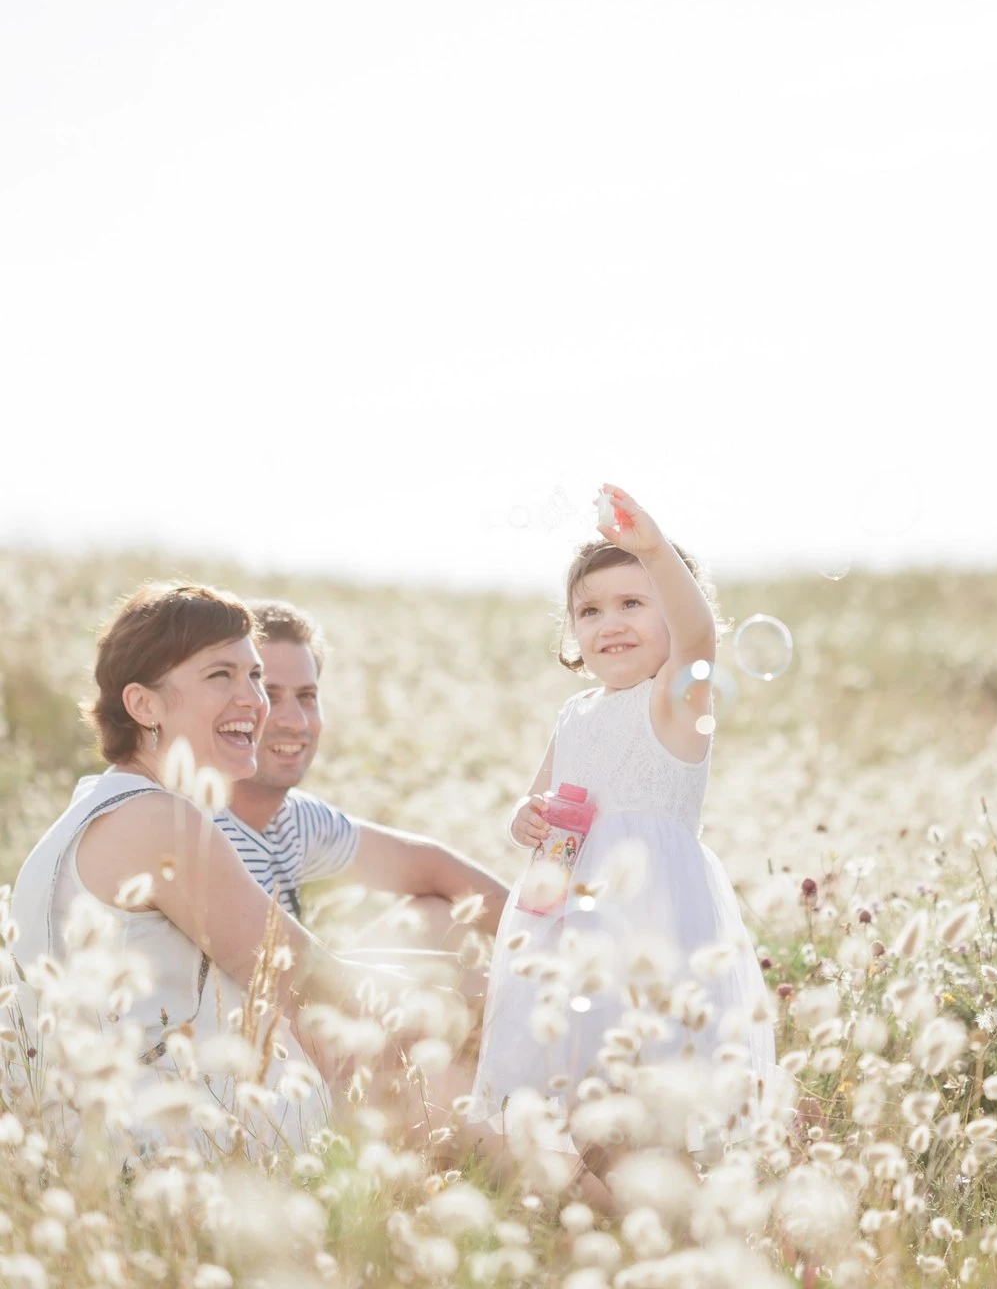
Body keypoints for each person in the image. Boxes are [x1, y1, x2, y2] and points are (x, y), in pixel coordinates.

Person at [7, 583, 407, 1158]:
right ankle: (575, 1200)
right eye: (221, 675)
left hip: (106, 1126)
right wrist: (430, 1009)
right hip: (153, 1145)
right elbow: (299, 971)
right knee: (413, 1056)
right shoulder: (158, 820)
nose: (253, 700)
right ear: (143, 705)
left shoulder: (103, 802)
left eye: (252, 676)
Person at [467, 483, 775, 1163]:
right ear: (571, 634)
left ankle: (659, 1189)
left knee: (653, 1071)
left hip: (650, 923)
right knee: (574, 1074)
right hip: (565, 920)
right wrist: (524, 815)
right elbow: (538, 798)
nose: (609, 622)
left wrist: (653, 546)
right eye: (589, 610)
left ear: (675, 614)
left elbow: (696, 635)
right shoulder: (574, 715)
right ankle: (597, 1195)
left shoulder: (673, 704)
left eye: (635, 603)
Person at [217, 601, 508, 961]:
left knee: (438, 917)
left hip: (299, 1000)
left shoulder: (294, 820)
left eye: (307, 697)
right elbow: (293, 982)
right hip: (252, 1012)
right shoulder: (194, 829)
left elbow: (431, 867)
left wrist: (554, 948)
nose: (296, 721)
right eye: (270, 696)